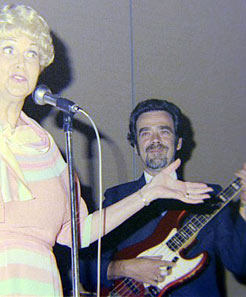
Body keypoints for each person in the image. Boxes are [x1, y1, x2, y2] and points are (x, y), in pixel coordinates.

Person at [0, 5, 212, 297]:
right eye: (8, 49)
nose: (22, 62)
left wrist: (148, 194)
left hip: (36, 283)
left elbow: (80, 232)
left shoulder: (47, 151)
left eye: (32, 53)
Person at [81, 99, 246, 296]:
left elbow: (240, 264)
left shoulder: (209, 195)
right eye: (145, 133)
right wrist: (125, 268)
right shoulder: (117, 197)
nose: (155, 140)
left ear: (178, 143)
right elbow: (86, 271)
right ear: (136, 147)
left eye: (164, 131)